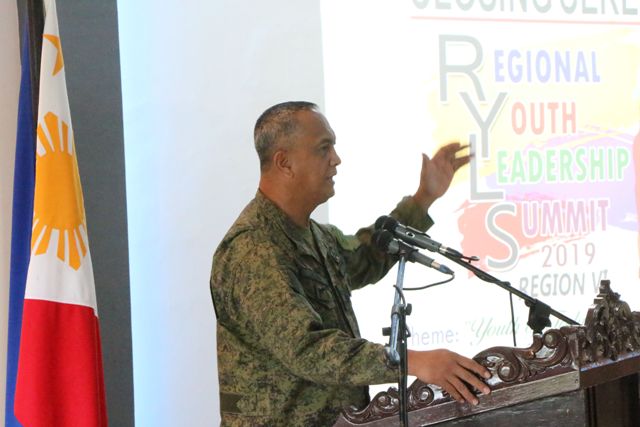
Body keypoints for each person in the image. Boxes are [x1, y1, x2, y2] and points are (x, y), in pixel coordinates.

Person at [210, 101, 491, 426]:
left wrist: (422, 199)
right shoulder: (252, 247)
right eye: (323, 148)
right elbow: (306, 347)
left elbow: (364, 258)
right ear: (284, 162)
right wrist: (407, 361)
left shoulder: (316, 236)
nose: (336, 159)